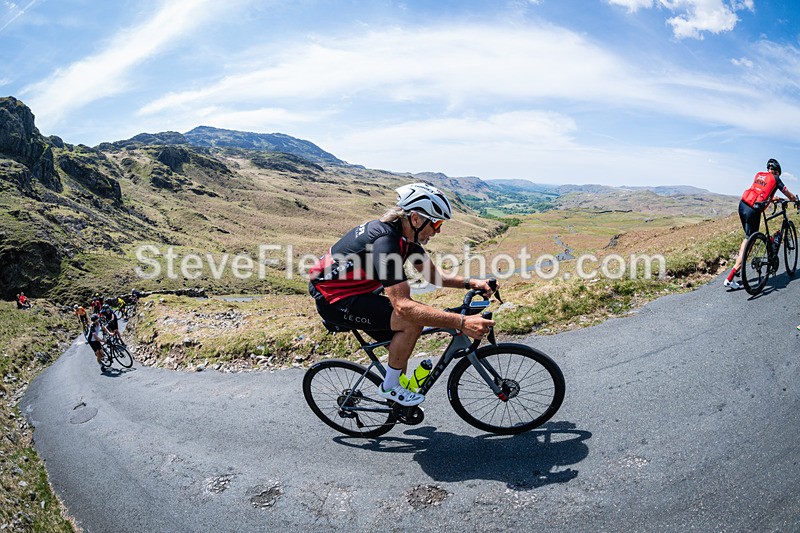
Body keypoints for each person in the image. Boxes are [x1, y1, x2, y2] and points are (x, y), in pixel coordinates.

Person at [308, 183, 496, 406]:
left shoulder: (406, 239)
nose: (438, 231)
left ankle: (396, 401)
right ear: (415, 219)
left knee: (401, 344)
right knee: (411, 322)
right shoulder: (386, 242)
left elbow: (435, 276)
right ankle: (390, 388)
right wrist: (462, 322)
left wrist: (473, 283)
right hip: (334, 300)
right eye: (436, 223)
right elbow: (403, 306)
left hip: (358, 291)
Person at [724, 159, 798, 290]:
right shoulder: (776, 178)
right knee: (750, 242)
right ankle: (730, 277)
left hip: (743, 205)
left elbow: (760, 191)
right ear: (777, 172)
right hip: (753, 210)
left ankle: (739, 266)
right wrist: (795, 200)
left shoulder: (759, 175)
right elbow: (788, 194)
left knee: (747, 238)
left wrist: (773, 198)